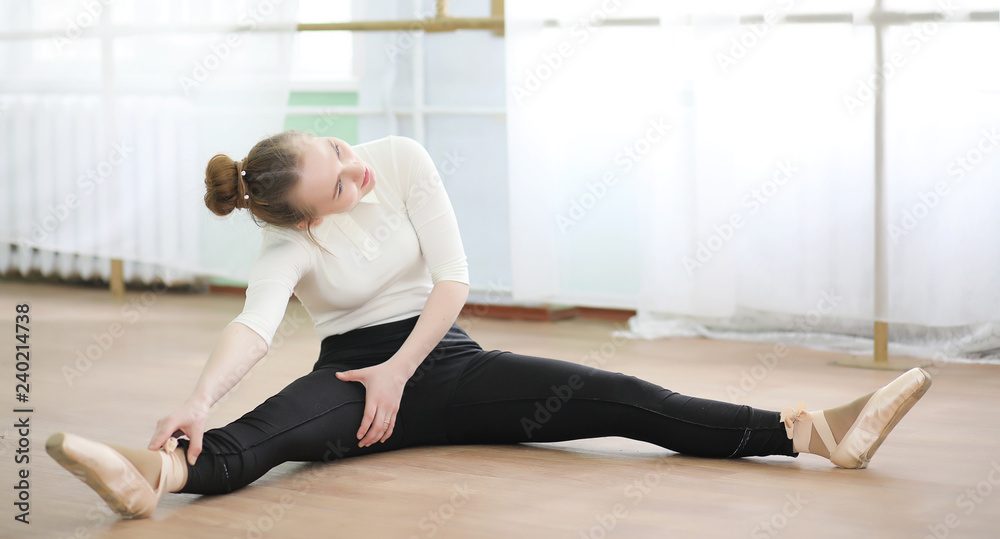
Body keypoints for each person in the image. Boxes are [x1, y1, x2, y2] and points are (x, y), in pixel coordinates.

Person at [46, 130, 932, 520]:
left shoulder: (397, 157)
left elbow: (455, 278)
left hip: (446, 362)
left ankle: (814, 431)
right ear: (309, 220)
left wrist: (403, 372)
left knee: (619, 394)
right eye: (340, 186)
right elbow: (253, 325)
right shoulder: (287, 251)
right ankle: (151, 480)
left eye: (341, 154)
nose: (358, 173)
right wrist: (197, 397)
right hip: (353, 381)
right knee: (262, 437)